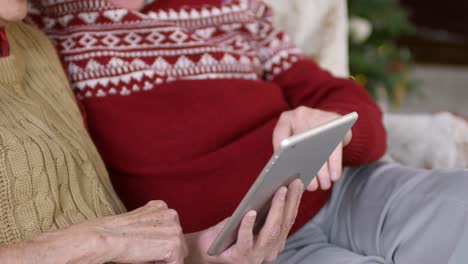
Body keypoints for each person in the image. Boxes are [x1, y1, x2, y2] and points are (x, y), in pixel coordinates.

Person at [28, 0, 468, 263]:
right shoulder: (45, 30)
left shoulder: (233, 6)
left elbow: (343, 98)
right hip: (244, 248)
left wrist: (335, 127)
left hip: (343, 191)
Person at [0, 1, 305, 263]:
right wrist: (94, 242)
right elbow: (101, 241)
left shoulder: (35, 46)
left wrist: (197, 248)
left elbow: (99, 218)